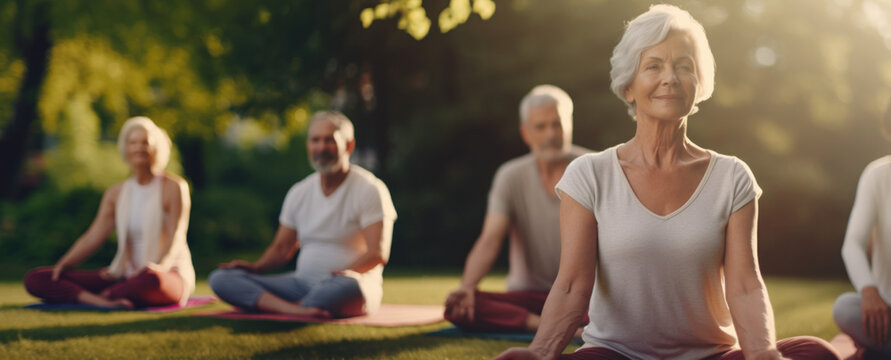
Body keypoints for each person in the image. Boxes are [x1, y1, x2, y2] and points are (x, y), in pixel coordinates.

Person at [495, 5, 839, 360]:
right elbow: (570, 286)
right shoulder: (589, 175)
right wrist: (540, 353)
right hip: (617, 354)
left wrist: (762, 351)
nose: (670, 78)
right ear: (628, 87)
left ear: (698, 85)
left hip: (712, 355)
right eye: (653, 66)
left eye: (684, 66)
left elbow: (745, 285)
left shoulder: (732, 176)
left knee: (816, 353)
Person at [209, 111, 396, 318]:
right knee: (221, 278)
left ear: (349, 146)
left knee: (346, 287)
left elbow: (377, 254)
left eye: (329, 140)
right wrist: (255, 268)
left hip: (347, 285)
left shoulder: (370, 189)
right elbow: (282, 248)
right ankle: (295, 308)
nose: (321, 147)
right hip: (299, 285)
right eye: (315, 140)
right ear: (308, 145)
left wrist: (337, 277)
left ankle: (282, 306)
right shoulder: (299, 192)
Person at [444, 85, 589, 333]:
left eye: (557, 124)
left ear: (570, 125)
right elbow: (490, 240)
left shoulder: (593, 169)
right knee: (461, 306)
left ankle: (555, 325)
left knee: (617, 311)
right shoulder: (510, 176)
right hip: (528, 298)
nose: (551, 134)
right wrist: (467, 287)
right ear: (525, 133)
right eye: (541, 127)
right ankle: (548, 326)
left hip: (581, 297)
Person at [23, 116, 194, 308]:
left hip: (166, 274)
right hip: (124, 274)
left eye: (145, 142)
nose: (139, 147)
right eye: (133, 142)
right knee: (38, 278)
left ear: (156, 148)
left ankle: (106, 295)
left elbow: (176, 235)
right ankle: (102, 301)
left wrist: (159, 267)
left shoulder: (174, 187)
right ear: (126, 148)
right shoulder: (116, 193)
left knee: (151, 280)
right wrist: (64, 264)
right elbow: (93, 236)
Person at [833, 101, 891, 358]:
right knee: (845, 308)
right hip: (887, 313)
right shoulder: (877, 175)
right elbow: (853, 244)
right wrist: (868, 290)